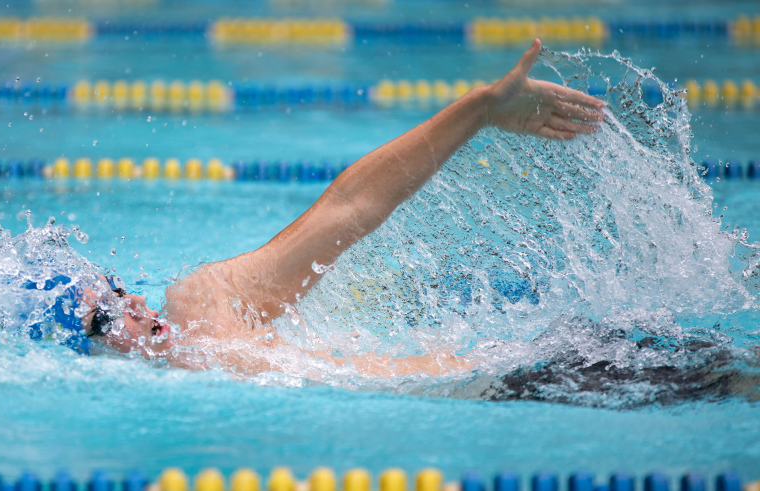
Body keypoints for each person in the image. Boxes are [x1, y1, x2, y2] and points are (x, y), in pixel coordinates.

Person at [59, 40, 605, 377]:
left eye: (118, 288)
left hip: (528, 373)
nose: (132, 304)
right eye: (104, 316)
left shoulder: (201, 306)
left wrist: (478, 109)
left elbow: (346, 210)